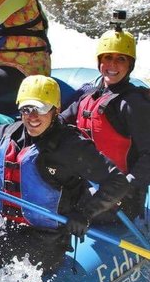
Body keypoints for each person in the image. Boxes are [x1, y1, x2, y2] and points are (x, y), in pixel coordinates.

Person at [0, 75, 130, 273]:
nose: (33, 116)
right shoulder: (9, 133)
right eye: (26, 109)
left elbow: (117, 182)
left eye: (41, 109)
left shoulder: (71, 146)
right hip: (6, 224)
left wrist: (85, 214)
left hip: (44, 242)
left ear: (56, 110)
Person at [60, 25, 150, 220]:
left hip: (119, 197)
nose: (113, 64)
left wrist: (126, 187)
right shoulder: (89, 96)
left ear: (130, 65)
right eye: (107, 57)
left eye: (121, 59)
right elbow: (58, 124)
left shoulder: (132, 104)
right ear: (100, 61)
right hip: (85, 183)